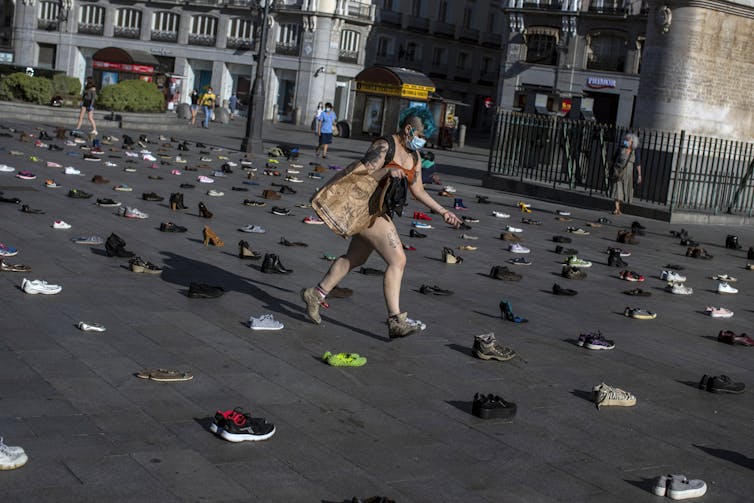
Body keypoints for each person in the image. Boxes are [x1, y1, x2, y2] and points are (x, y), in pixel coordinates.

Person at [301, 106, 463, 339]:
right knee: (398, 259)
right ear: (409, 130)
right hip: (366, 210)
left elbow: (418, 190)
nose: (423, 142)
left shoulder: (414, 156)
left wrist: (444, 211)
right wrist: (386, 170)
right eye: (421, 136)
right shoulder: (385, 146)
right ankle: (395, 320)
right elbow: (359, 174)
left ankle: (315, 294)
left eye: (425, 137)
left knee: (354, 259)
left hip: (380, 210)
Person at [609, 133, 642, 215]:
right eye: (625, 140)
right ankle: (616, 208)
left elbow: (638, 164)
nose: (626, 141)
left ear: (632, 142)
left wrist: (639, 175)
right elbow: (614, 159)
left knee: (624, 190)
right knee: (617, 188)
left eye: (628, 140)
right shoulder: (620, 149)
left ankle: (619, 208)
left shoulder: (635, 151)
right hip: (619, 172)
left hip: (629, 174)